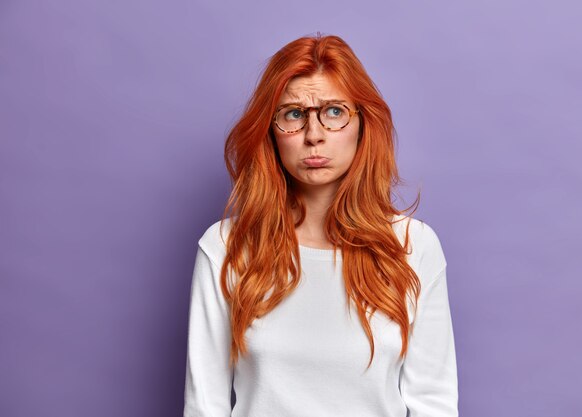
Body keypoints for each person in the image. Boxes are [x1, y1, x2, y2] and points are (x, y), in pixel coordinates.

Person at [183, 33, 458, 417]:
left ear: (363, 124)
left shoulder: (414, 246)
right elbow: (204, 407)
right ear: (271, 131)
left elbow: (434, 404)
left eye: (333, 112)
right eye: (293, 114)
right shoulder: (226, 247)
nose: (314, 136)